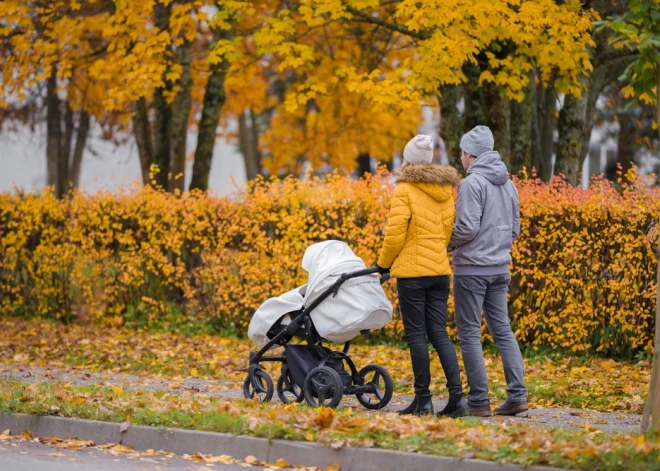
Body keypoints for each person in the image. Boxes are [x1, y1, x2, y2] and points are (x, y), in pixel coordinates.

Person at [377, 134, 467, 417]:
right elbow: (448, 231)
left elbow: (394, 235)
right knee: (439, 333)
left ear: (408, 160)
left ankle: (423, 400)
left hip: (412, 273)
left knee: (416, 335)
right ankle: (458, 399)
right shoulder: (446, 189)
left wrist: (383, 264)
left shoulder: (404, 189)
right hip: (440, 271)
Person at [450, 125, 528, 417]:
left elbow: (467, 227)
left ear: (469, 154)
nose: (461, 157)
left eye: (462, 152)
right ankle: (518, 396)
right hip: (500, 268)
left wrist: (449, 241)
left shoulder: (472, 184)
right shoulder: (508, 184)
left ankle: (479, 402)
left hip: (471, 269)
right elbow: (515, 228)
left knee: (470, 333)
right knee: (503, 331)